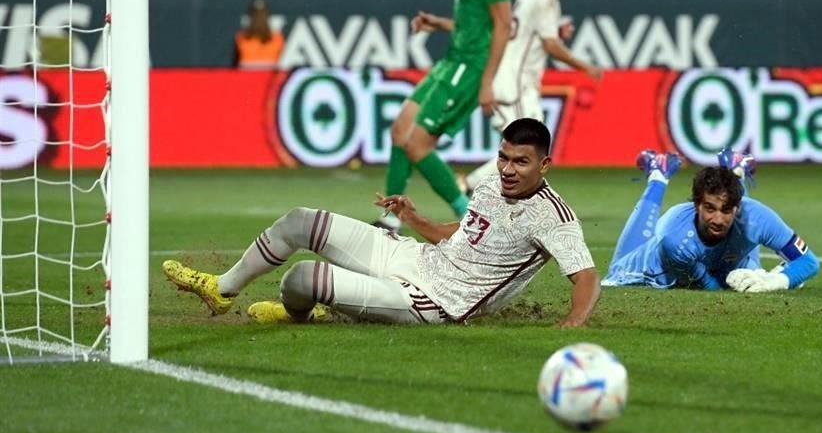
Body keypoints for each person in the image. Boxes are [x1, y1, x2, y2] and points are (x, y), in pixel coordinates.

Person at [161, 118, 600, 327]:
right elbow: (462, 233)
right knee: (299, 221)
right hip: (416, 258)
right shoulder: (490, 183)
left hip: (433, 302)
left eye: (520, 162)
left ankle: (302, 316)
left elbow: (585, 275)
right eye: (503, 156)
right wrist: (413, 217)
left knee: (301, 279)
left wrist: (573, 321)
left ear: (544, 164)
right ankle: (222, 291)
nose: (507, 168)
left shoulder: (554, 216)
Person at [381, 0, 515, 230]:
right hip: (452, 59)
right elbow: (477, 23)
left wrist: (486, 82)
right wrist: (439, 24)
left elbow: (503, 24)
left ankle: (473, 219)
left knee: (417, 144)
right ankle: (390, 222)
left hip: (468, 67)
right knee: (400, 130)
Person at [461, 0, 601, 194]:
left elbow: (531, 32)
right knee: (525, 146)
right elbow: (550, 45)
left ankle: (475, 187)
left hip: (519, 81)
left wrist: (556, 31)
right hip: (513, 82)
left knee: (528, 146)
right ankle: (468, 186)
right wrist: (585, 66)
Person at [603, 149, 820, 292]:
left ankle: (736, 172)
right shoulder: (675, 239)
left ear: (737, 206)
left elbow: (809, 262)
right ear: (697, 204)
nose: (718, 219)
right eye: (709, 208)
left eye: (727, 210)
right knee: (615, 271)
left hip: (729, 260)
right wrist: (753, 280)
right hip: (655, 271)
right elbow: (710, 287)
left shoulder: (756, 217)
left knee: (747, 238)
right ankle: (658, 177)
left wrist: (773, 282)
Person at [234, 0, 284, 69]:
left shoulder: (241, 37)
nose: (259, 17)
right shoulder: (278, 38)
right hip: (256, 75)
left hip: (252, 75)